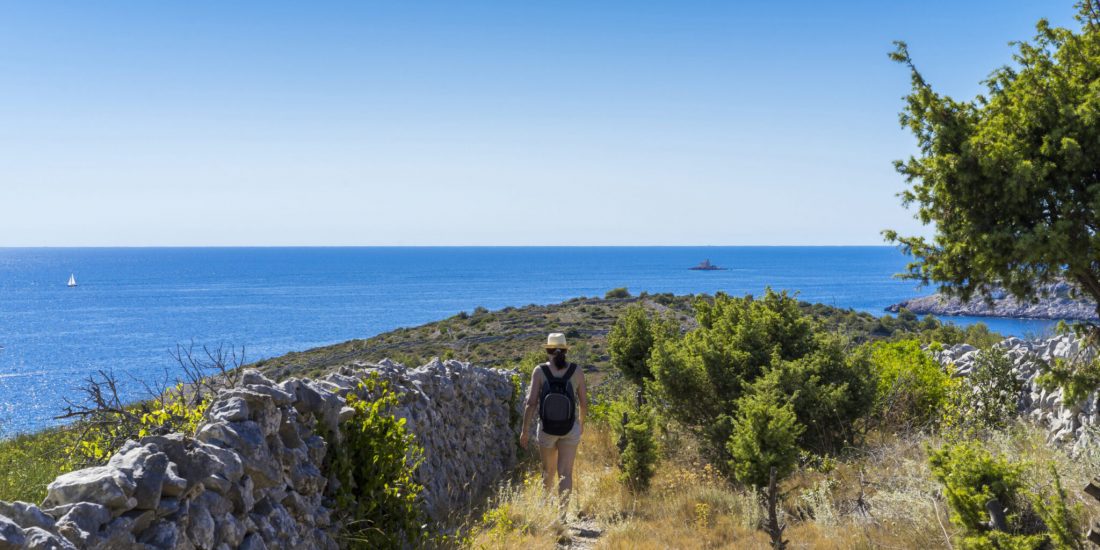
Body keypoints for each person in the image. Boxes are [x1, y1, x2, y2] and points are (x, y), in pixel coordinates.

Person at [520, 332, 587, 503]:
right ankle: (562, 516)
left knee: (548, 471)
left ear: (548, 351)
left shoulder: (540, 371)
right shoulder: (576, 371)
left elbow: (531, 403)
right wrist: (581, 424)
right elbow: (583, 403)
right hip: (570, 428)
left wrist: (525, 431)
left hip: (546, 429)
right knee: (565, 473)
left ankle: (546, 509)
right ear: (565, 351)